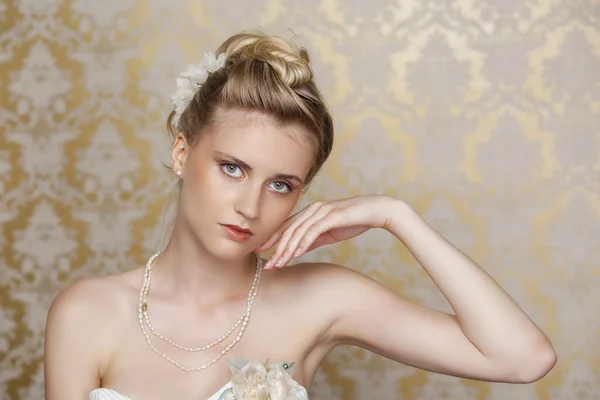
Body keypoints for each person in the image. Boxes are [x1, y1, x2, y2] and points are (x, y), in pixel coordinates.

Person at [44, 31, 556, 400]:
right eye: (231, 168)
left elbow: (522, 358)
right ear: (182, 154)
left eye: (281, 185)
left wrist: (396, 216)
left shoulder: (321, 298)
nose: (251, 205)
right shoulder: (88, 313)